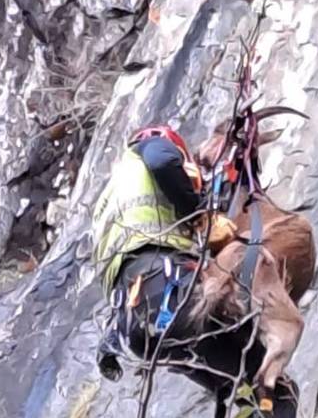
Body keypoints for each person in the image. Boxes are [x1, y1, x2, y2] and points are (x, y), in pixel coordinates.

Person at [91, 124, 236, 381]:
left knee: (236, 385)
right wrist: (197, 208)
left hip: (136, 326)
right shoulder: (151, 147)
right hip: (164, 285)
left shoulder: (107, 199)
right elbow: (161, 163)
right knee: (269, 381)